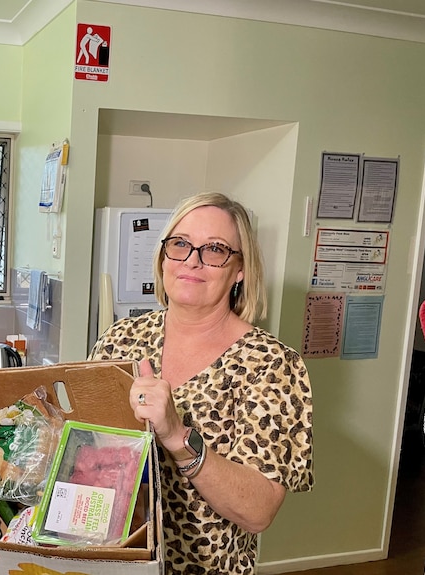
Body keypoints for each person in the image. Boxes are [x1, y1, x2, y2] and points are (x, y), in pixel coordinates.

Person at [89, 192, 314, 574]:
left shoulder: (271, 364)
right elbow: (86, 448)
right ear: (163, 257)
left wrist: (178, 437)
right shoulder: (120, 340)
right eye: (180, 245)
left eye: (215, 250)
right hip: (113, 559)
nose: (192, 261)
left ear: (240, 270)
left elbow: (258, 512)